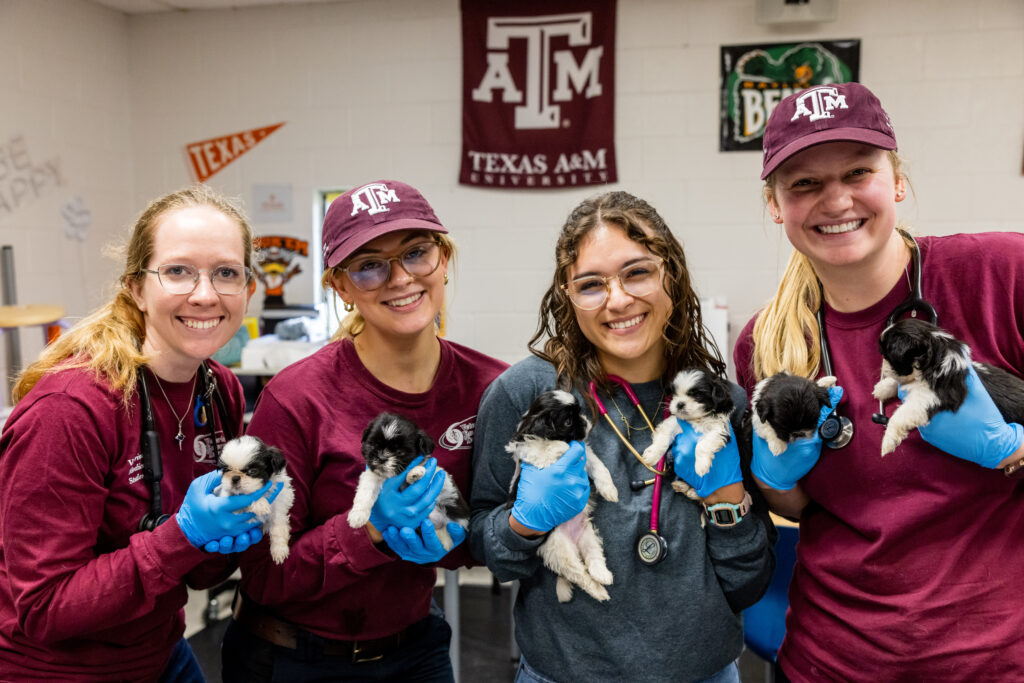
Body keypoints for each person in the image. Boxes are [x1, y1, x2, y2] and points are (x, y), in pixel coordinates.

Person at [734, 81, 1024, 680]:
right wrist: (771, 478)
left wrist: (1013, 447)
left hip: (995, 660)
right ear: (774, 204)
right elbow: (798, 503)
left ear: (896, 180)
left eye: (857, 172)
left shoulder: (1000, 275)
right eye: (805, 183)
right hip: (831, 660)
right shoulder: (767, 343)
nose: (835, 200)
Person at [470, 191, 776, 682]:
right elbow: (490, 553)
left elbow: (748, 582)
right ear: (567, 296)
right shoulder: (526, 394)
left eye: (637, 272)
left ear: (669, 273)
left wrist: (727, 504)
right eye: (591, 284)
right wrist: (523, 524)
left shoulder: (721, 404)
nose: (617, 300)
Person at [221, 179, 508, 682]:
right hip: (293, 658)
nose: (400, 278)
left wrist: (478, 533)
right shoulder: (297, 398)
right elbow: (264, 571)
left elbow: (486, 539)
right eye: (369, 265)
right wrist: (370, 531)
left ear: (443, 257)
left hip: (414, 647)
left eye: (416, 253)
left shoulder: (487, 387)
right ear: (341, 287)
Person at [0, 185, 279, 680]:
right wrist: (183, 535)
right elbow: (43, 609)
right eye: (177, 271)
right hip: (54, 669)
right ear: (135, 287)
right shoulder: (72, 408)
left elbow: (197, 574)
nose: (205, 294)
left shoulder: (220, 391)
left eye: (226, 273)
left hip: (159, 650)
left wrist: (236, 530)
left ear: (248, 290)